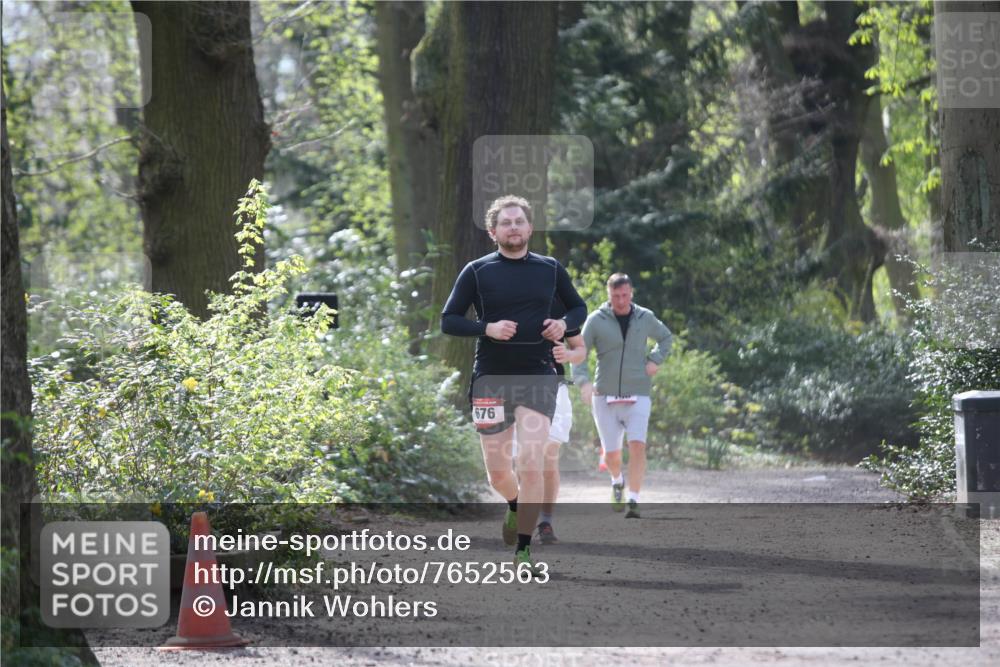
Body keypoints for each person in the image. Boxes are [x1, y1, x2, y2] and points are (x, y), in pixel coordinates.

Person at [441, 194, 587, 569]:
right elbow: (450, 319)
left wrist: (564, 324)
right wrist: (486, 327)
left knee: (531, 460)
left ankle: (524, 548)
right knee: (498, 470)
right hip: (491, 378)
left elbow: (578, 308)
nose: (513, 228)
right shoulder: (477, 271)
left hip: (538, 375)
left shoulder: (550, 269)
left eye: (519, 221)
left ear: (529, 227)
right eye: (505, 223)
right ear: (493, 231)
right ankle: (514, 504)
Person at [572, 273, 672, 519]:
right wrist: (583, 382)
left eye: (625, 295)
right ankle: (617, 480)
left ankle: (634, 500)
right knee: (612, 454)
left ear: (631, 293)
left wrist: (655, 360)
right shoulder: (596, 320)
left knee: (637, 445)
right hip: (604, 395)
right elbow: (579, 352)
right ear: (609, 295)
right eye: (616, 296)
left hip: (638, 393)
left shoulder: (644, 317)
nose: (621, 300)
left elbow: (666, 338)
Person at [513, 298, 586, 545]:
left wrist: (568, 354)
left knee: (549, 455)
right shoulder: (506, 302)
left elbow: (580, 350)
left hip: (555, 388)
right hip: (514, 389)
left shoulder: (560, 308)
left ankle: (545, 521)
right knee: (523, 460)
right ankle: (520, 512)